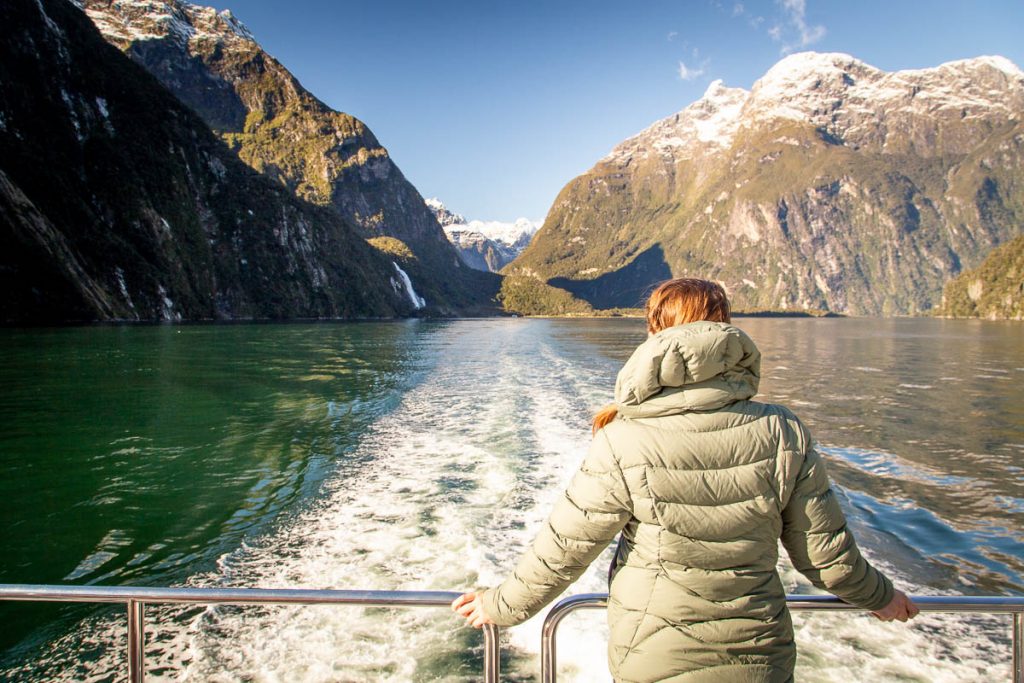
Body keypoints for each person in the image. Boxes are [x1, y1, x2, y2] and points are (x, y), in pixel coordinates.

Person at [452, 277, 918, 682]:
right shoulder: (783, 431)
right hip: (760, 658)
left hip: (653, 659)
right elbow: (825, 555)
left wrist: (501, 605)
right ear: (727, 331)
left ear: (655, 333)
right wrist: (881, 597)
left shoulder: (623, 439)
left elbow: (565, 548)